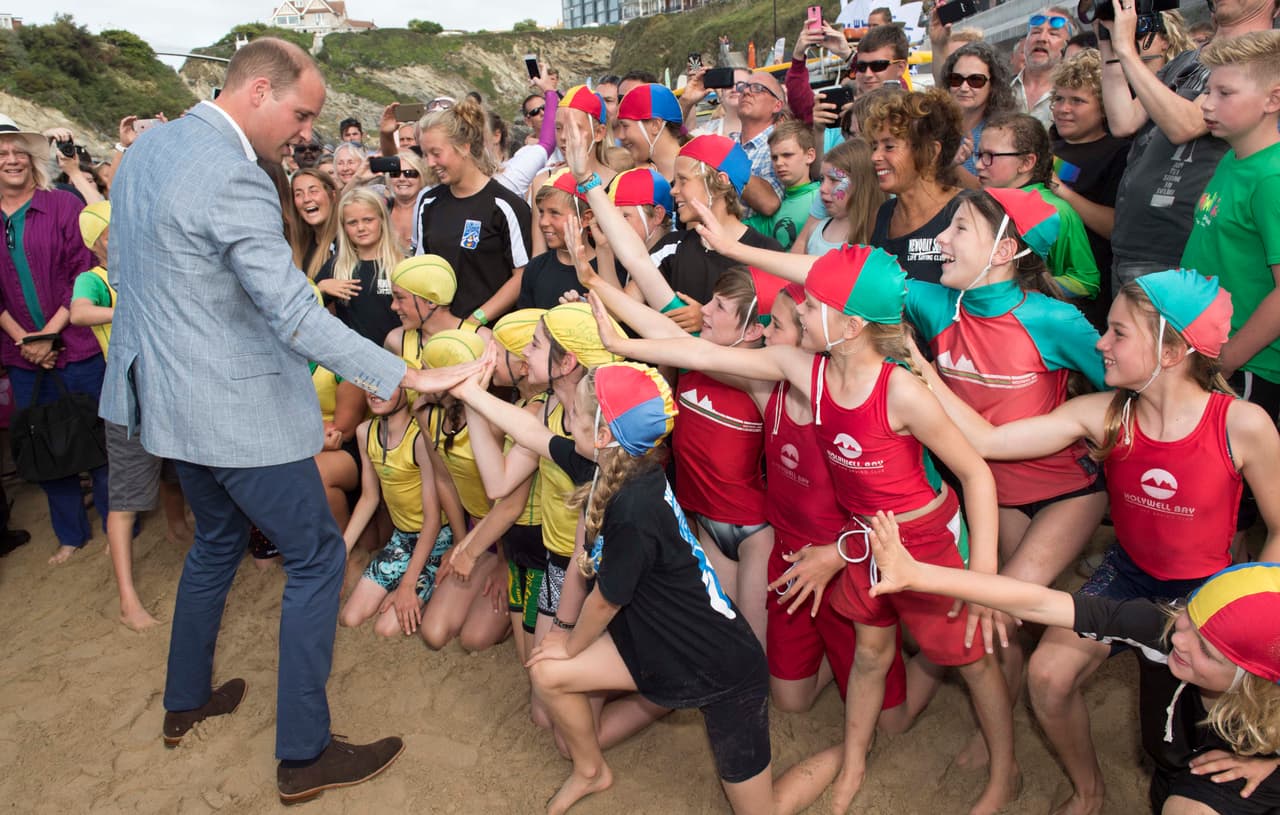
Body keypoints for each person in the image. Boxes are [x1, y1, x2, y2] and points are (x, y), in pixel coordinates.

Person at [100, 37, 479, 802]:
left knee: (213, 539)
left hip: (160, 401)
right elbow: (295, 315)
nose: (305, 132)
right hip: (233, 410)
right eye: (301, 112)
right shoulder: (236, 176)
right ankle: (304, 755)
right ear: (258, 91)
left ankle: (184, 702)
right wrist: (403, 372)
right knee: (311, 560)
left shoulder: (147, 150)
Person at [590, 245, 1019, 815]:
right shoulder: (804, 370)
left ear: (851, 323)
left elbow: (974, 473)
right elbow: (699, 349)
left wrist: (984, 577)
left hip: (924, 539)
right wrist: (622, 344)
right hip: (862, 539)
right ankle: (856, 759)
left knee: (971, 655)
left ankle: (1006, 769)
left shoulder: (901, 390)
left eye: (815, 305)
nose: (795, 315)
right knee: (870, 653)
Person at [919, 271, 1280, 815]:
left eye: (1118, 332)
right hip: (1131, 574)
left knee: (1203, 738)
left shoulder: (1241, 425)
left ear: (1174, 348)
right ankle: (1089, 790)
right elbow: (988, 440)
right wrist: (919, 368)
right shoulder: (1108, 414)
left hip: (1206, 593)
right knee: (1046, 676)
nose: (1099, 343)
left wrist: (1248, 612)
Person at [867, 523, 1280, 815]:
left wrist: (1272, 765)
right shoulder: (1161, 628)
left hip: (1229, 785)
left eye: (1207, 648)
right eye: (1189, 616)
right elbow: (1039, 603)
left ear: (1258, 677)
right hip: (1173, 771)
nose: (1181, 639)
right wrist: (919, 575)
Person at [516, 361, 773, 815]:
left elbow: (607, 600)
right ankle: (591, 770)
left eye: (575, 412)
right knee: (545, 671)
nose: (568, 418)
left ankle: (840, 764)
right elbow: (531, 434)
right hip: (655, 643)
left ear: (601, 435)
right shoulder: (621, 463)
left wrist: (570, 645)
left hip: (722, 667)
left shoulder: (635, 505)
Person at [905, 187, 1107, 761]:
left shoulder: (1055, 319)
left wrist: (1089, 427)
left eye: (959, 229)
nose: (939, 241)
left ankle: (999, 739)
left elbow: (1128, 388)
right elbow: (839, 275)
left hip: (1066, 492)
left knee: (997, 605)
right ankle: (1002, 721)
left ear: (1005, 250)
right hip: (994, 492)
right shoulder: (938, 304)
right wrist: (734, 245)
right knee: (1005, 616)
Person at [69, 200, 190, 629]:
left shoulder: (146, 268)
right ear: (97, 241)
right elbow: (78, 313)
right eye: (112, 231)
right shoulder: (95, 279)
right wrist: (129, 310)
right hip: (130, 399)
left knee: (177, 473)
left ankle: (177, 527)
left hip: (173, 392)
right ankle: (127, 599)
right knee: (125, 500)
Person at [1101, 0, 1274, 289]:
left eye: (1225, 92)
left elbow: (1185, 125)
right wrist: (1107, 38)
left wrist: (1125, 49)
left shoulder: (1264, 61)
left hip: (1180, 247)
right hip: (1132, 242)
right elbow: (1123, 121)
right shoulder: (1186, 60)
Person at [0, 114, 107, 565]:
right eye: (2, 154)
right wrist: (26, 339)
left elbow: (79, 273)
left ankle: (120, 521)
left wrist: (48, 334)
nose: (12, 159)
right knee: (42, 444)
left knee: (101, 439)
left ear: (32, 158)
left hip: (78, 345)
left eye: (19, 151)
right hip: (21, 353)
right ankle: (70, 534)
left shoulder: (62, 205)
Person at [338, 382, 452, 638]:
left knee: (386, 629)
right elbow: (369, 498)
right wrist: (341, 550)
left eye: (385, 384)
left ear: (406, 391)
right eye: (369, 384)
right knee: (350, 618)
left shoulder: (419, 438)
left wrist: (407, 585)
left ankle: (423, 587)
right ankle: (405, 583)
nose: (374, 391)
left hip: (437, 539)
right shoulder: (364, 432)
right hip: (401, 539)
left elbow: (432, 521)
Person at [415, 99, 533, 329]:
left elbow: (522, 276)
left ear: (465, 146)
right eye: (425, 154)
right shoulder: (429, 203)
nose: (430, 163)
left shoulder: (505, 205)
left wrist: (473, 323)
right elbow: (422, 269)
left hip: (490, 336)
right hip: (440, 334)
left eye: (436, 153)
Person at [976, 112, 1101, 300]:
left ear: (1026, 162)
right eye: (978, 155)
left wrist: (1031, 288)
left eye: (990, 156)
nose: (978, 164)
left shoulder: (1056, 211)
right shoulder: (981, 202)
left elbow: (1087, 281)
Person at [1048, 49, 1131, 318]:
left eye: (1077, 101)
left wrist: (1061, 191)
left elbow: (1116, 226)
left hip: (1089, 293)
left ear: (1105, 105)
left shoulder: (1119, 152)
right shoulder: (1047, 142)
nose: (1063, 109)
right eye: (1058, 99)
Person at [866, 89, 964, 283]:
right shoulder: (882, 215)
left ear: (931, 152)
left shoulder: (966, 211)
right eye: (874, 146)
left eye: (889, 146)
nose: (875, 157)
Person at [314, 187, 403, 345]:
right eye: (352, 222)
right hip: (354, 360)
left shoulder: (402, 263)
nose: (361, 228)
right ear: (344, 227)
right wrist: (320, 288)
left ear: (382, 219)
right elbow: (304, 307)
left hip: (398, 357)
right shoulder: (337, 265)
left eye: (368, 220)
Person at [939, 42, 1018, 187]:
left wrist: (954, 167)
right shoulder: (933, 127)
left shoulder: (1004, 134)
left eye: (975, 80)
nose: (963, 88)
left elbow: (991, 192)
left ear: (993, 85)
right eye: (956, 79)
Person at [793, 136, 885, 256]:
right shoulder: (814, 231)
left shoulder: (877, 235)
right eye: (822, 179)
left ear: (860, 184)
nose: (822, 189)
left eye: (833, 180)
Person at [745, 121, 819, 250]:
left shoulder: (822, 198)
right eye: (774, 157)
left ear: (810, 156)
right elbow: (735, 230)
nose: (779, 163)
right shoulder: (775, 206)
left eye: (787, 155)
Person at [1014, 8, 1074, 127]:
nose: (1041, 39)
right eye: (1035, 32)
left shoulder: (1074, 96)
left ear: (1068, 46)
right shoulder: (1001, 89)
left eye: (1053, 34)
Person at [615, 83, 684, 182]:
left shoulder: (699, 173)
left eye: (625, 126)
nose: (620, 136)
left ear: (655, 125)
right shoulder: (637, 179)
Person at [290, 168, 340, 279]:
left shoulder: (346, 243)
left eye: (313, 191)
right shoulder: (299, 245)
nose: (306, 199)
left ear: (333, 195)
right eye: (298, 194)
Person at [386, 151, 429, 256]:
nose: (401, 179)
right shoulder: (381, 208)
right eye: (395, 174)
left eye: (410, 173)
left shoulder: (431, 211)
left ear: (422, 177)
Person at [853, 24, 911, 95]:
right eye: (861, 66)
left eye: (878, 66)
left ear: (900, 67)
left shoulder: (915, 105)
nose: (867, 74)